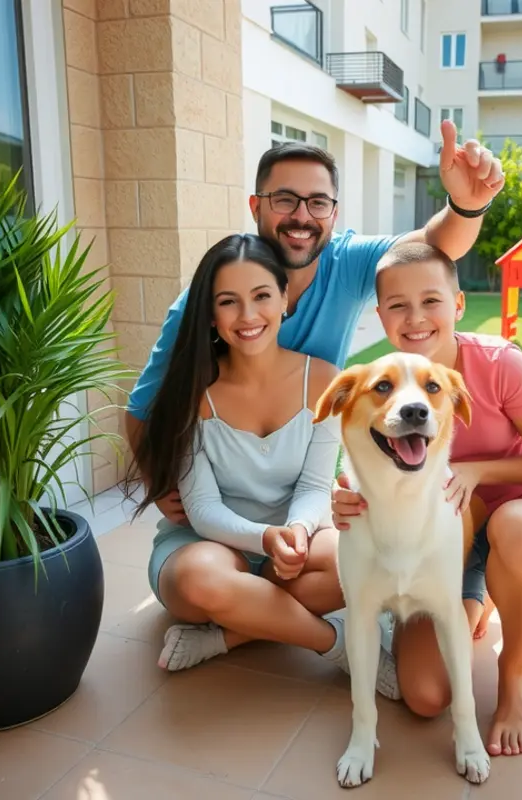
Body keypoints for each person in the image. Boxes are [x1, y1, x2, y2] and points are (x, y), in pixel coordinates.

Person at [124, 120, 505, 527]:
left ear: (334, 213)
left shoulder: (348, 262)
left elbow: (433, 247)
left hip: (307, 490)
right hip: (222, 495)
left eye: (318, 202)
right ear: (256, 207)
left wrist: (466, 205)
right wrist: (158, 483)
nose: (302, 217)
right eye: (285, 200)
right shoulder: (210, 300)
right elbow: (142, 407)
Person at [331, 242, 522, 757]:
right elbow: (357, 452)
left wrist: (474, 470)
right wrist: (342, 494)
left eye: (431, 301)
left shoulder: (499, 365)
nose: (415, 318)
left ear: (458, 304)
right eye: (398, 305)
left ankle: (516, 669)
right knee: (427, 695)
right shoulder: (379, 381)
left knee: (515, 531)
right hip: (451, 533)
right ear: (381, 314)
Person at [126, 233, 399, 698]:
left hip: (297, 536)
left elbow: (315, 484)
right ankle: (339, 645)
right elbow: (203, 508)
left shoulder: (324, 380)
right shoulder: (192, 390)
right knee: (200, 581)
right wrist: (264, 539)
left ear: (285, 298)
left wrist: (293, 531)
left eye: (261, 296)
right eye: (229, 302)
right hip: (208, 542)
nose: (248, 316)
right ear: (211, 315)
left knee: (375, 560)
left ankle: (226, 635)